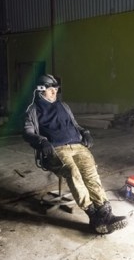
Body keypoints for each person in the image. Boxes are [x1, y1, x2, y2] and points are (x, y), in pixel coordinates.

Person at [23, 74, 127, 234]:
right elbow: (27, 132)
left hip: (77, 146)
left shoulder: (63, 106)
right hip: (56, 149)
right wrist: (40, 141)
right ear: (40, 90)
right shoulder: (33, 110)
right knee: (73, 172)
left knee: (91, 173)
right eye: (51, 90)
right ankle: (93, 214)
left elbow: (75, 124)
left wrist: (85, 132)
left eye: (56, 90)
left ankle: (106, 213)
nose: (54, 93)